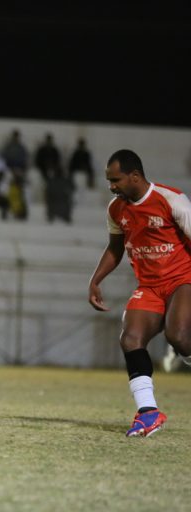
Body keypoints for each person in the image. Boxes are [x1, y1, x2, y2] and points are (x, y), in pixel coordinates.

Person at [88, 149, 191, 437]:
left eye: (115, 180)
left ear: (135, 176)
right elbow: (115, 248)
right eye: (109, 181)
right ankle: (148, 413)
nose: (112, 186)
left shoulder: (171, 199)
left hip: (183, 279)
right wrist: (95, 280)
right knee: (130, 339)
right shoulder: (116, 209)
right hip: (149, 286)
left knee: (179, 337)